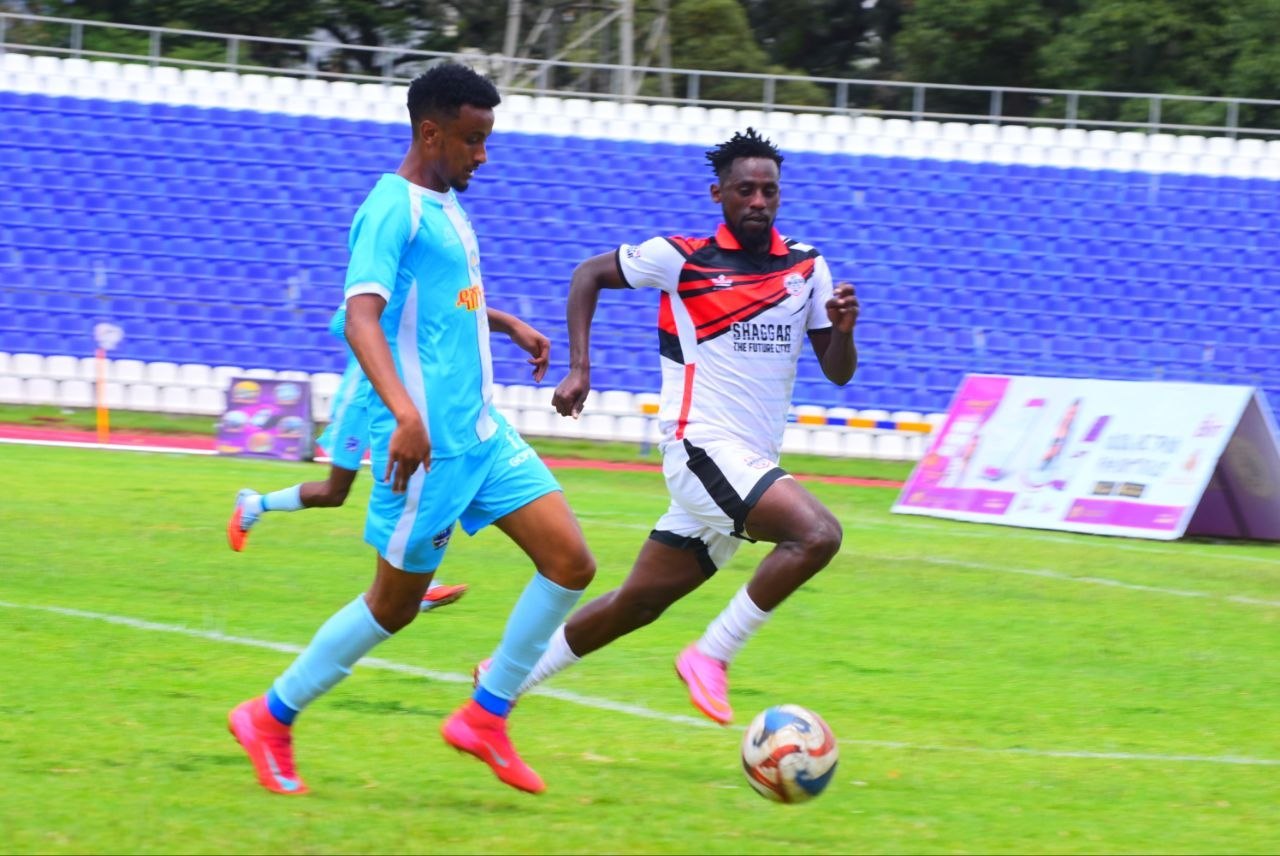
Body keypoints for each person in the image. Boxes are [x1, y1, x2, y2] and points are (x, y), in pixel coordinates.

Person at [227, 62, 596, 797]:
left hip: (482, 434)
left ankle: (485, 717)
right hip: (430, 453)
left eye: (486, 140)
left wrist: (504, 322)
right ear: (431, 133)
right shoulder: (390, 209)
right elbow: (361, 316)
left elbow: (433, 299)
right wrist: (404, 414)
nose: (482, 155)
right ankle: (269, 716)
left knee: (571, 564)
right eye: (472, 140)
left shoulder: (445, 201)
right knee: (392, 607)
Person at [482, 127, 859, 725]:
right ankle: (711, 654)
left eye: (769, 191)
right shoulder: (682, 258)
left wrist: (842, 331)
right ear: (718, 194)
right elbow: (587, 274)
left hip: (746, 466)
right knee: (818, 535)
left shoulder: (807, 267)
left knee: (637, 604)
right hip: (700, 449)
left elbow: (837, 373)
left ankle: (501, 683)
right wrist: (580, 368)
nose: (758, 201)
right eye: (745, 190)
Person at [223, 301, 549, 611]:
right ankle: (254, 504)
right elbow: (343, 322)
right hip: (359, 406)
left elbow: (454, 311)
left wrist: (509, 326)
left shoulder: (413, 287)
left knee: (423, 478)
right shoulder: (377, 285)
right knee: (335, 492)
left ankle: (418, 582)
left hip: (393, 405)